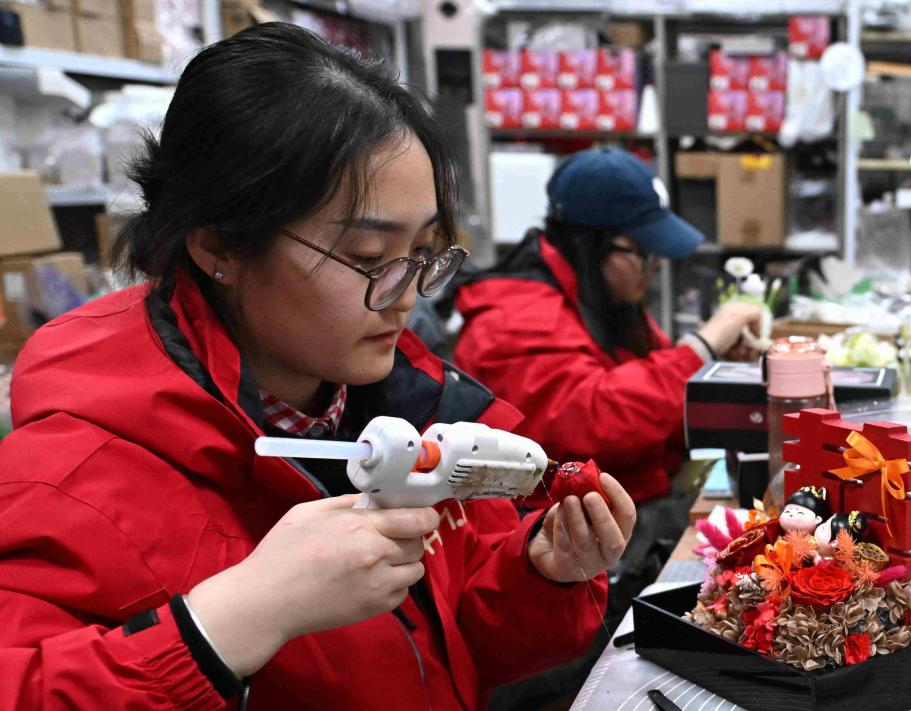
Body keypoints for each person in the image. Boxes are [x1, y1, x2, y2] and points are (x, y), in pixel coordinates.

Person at [0, 24, 636, 710]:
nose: (407, 295)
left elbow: (446, 650)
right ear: (222, 245)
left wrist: (541, 573)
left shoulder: (395, 405)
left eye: (424, 253)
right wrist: (232, 621)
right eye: (368, 258)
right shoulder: (74, 472)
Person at [453, 147, 763, 584]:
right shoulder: (513, 319)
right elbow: (592, 420)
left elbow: (660, 397)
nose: (653, 268)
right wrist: (702, 348)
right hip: (553, 546)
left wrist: (715, 376)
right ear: (590, 243)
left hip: (625, 505)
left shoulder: (604, 300)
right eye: (642, 252)